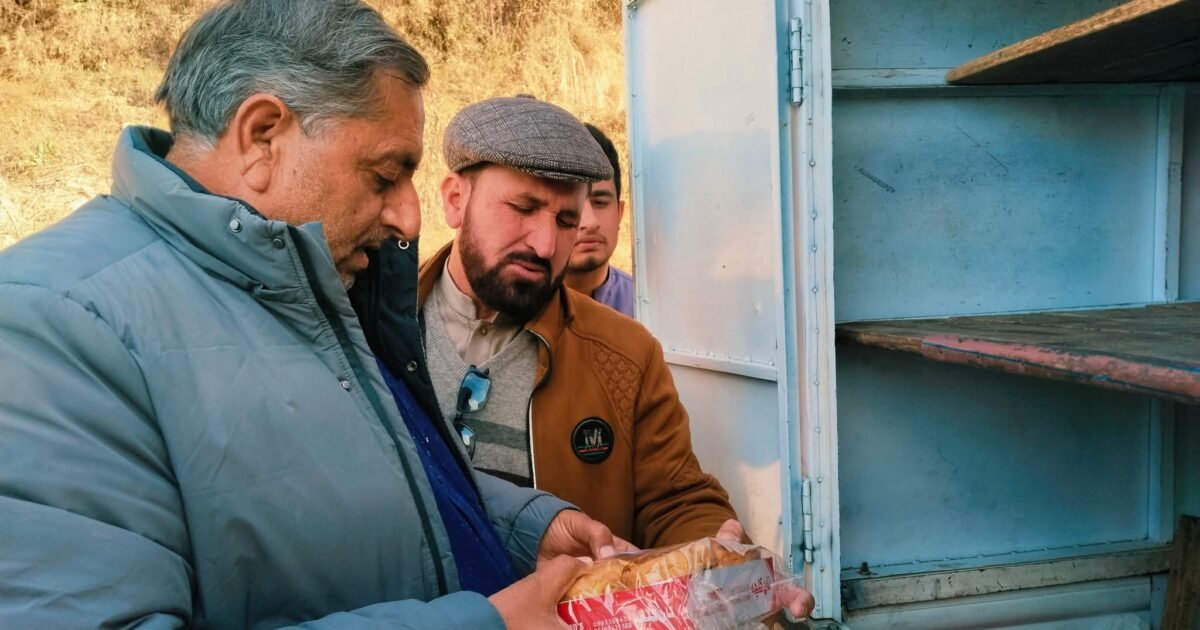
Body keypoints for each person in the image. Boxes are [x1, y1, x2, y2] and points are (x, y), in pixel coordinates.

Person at [0, 2, 626, 627]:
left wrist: (522, 529)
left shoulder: (309, 280)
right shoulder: (50, 328)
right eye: (385, 175)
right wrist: (484, 625)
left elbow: (372, 474)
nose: (410, 219)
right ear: (261, 138)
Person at [565, 122, 635, 318]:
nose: (590, 222)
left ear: (620, 212)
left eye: (600, 202)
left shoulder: (646, 309)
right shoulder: (509, 312)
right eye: (573, 204)